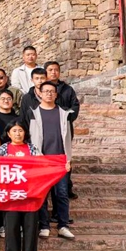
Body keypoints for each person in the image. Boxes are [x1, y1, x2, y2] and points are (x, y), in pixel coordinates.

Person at [0, 120, 42, 251]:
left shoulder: (33, 149)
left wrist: (61, 165)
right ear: (8, 133)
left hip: (30, 195)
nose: (17, 133)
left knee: (30, 229)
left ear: (25, 133)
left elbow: (44, 166)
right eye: (14, 131)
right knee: (11, 228)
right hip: (10, 196)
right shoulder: (2, 150)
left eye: (20, 130)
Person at [29, 82, 74, 240]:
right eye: (45, 91)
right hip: (41, 161)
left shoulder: (64, 113)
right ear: (39, 93)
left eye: (52, 91)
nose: (49, 94)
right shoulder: (33, 113)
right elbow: (31, 138)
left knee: (61, 193)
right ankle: (44, 225)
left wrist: (68, 159)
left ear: (56, 94)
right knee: (42, 194)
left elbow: (68, 138)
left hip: (60, 160)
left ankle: (63, 225)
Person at [45, 60, 80, 200]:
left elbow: (75, 106)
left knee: (66, 158)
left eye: (56, 70)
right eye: (50, 70)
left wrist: (66, 117)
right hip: (47, 130)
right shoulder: (42, 89)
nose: (53, 72)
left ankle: (66, 187)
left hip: (64, 128)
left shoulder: (67, 89)